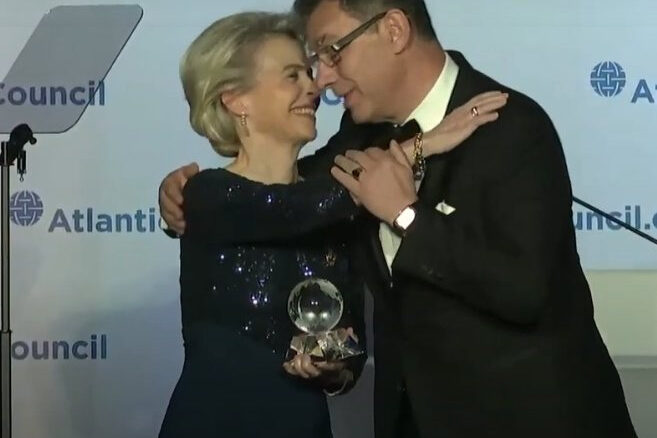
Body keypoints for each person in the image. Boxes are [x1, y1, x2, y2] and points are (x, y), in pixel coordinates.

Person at [158, 9, 506, 438]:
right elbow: (289, 208)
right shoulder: (206, 194)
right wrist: (423, 144)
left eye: (308, 73)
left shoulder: (335, 214)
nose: (314, 87)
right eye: (292, 76)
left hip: (301, 424)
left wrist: (332, 367)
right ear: (236, 100)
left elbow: (350, 350)